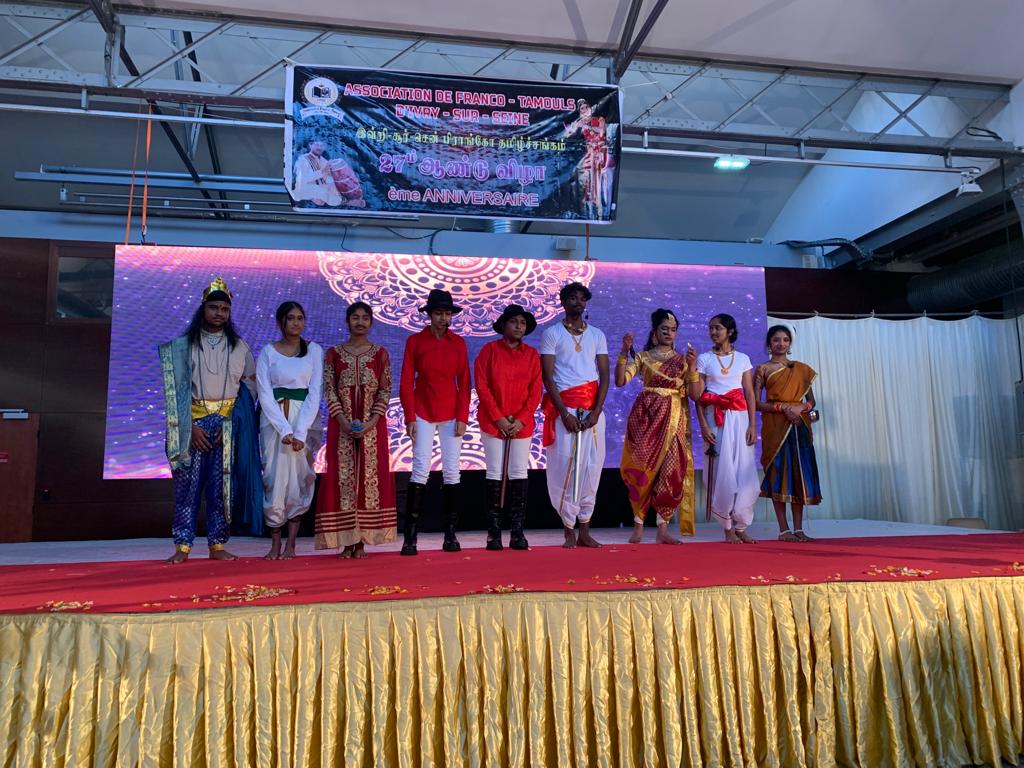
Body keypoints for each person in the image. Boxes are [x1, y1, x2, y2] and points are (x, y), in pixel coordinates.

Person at [158, 277, 256, 563]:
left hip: (226, 426)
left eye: (224, 309)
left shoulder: (240, 348)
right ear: (203, 309)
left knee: (221, 487)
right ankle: (182, 546)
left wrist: (233, 424)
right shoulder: (183, 346)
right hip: (193, 425)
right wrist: (190, 427)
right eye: (214, 308)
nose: (219, 313)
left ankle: (217, 544)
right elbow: (174, 392)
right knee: (187, 488)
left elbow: (250, 390)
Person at [315, 302, 396, 558]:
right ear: (347, 321)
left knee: (369, 478)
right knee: (343, 479)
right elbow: (329, 389)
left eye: (365, 318)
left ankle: (361, 541)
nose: (360, 322)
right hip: (341, 425)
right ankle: (346, 541)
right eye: (355, 317)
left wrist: (371, 422)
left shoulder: (380, 354)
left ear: (371, 322)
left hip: (373, 427)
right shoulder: (334, 354)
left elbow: (385, 390)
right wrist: (342, 421)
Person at [616, 308, 698, 544]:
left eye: (673, 330)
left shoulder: (683, 360)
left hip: (674, 418)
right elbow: (620, 381)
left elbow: (695, 395)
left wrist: (693, 367)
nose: (669, 333)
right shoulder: (643, 357)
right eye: (664, 329)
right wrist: (624, 352)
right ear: (655, 331)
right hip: (645, 418)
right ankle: (638, 524)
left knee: (671, 470)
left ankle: (663, 528)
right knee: (641, 469)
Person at [399, 289, 471, 555]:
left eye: (447, 314)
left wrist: (463, 416)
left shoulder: (458, 343)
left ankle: (450, 535)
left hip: (451, 412)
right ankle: (410, 538)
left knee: (452, 471)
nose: (443, 318)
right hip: (422, 411)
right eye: (438, 313)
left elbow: (465, 383)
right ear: (429, 315)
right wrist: (409, 417)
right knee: (420, 469)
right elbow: (406, 381)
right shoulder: (415, 341)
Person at [540, 282, 609, 548]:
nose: (577, 302)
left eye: (582, 298)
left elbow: (604, 376)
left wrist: (596, 411)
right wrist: (564, 414)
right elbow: (548, 377)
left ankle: (585, 530)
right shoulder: (552, 333)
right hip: (565, 410)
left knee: (592, 468)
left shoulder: (597, 335)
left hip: (592, 413)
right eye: (572, 298)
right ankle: (568, 529)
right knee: (564, 467)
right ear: (563, 302)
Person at [255, 301, 323, 560]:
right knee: (274, 477)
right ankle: (274, 543)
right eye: (291, 318)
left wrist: (300, 432)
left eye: (300, 318)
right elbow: (264, 393)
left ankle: (291, 544)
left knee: (299, 478)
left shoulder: (313, 350)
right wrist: (284, 429)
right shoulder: (268, 352)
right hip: (274, 422)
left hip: (304, 420)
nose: (296, 323)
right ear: (280, 322)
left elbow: (315, 392)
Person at [474, 304, 542, 551]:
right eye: (514, 322)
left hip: (521, 425)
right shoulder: (489, 351)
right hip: (493, 422)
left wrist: (521, 419)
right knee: (494, 472)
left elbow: (536, 391)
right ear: (503, 325)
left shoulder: (532, 355)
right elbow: (482, 386)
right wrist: (499, 418)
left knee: (518, 472)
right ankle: (493, 533)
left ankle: (517, 531)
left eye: (522, 323)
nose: (518, 326)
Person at [687, 313, 760, 543]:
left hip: (740, 419)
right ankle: (727, 527)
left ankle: (741, 525)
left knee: (744, 470)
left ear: (730, 331)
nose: (713, 332)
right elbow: (698, 397)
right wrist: (703, 425)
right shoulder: (704, 359)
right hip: (715, 419)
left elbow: (749, 393)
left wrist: (753, 425)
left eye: (717, 328)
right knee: (720, 470)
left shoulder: (743, 359)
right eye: (710, 328)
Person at [754, 324, 822, 542]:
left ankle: (799, 529)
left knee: (798, 475)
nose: (780, 343)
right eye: (776, 339)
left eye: (785, 340)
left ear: (790, 344)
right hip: (775, 427)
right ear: (769, 343)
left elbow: (811, 401)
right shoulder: (763, 370)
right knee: (778, 475)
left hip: (799, 425)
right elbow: (756, 403)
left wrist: (800, 408)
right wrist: (783, 408)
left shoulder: (801, 369)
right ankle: (784, 530)